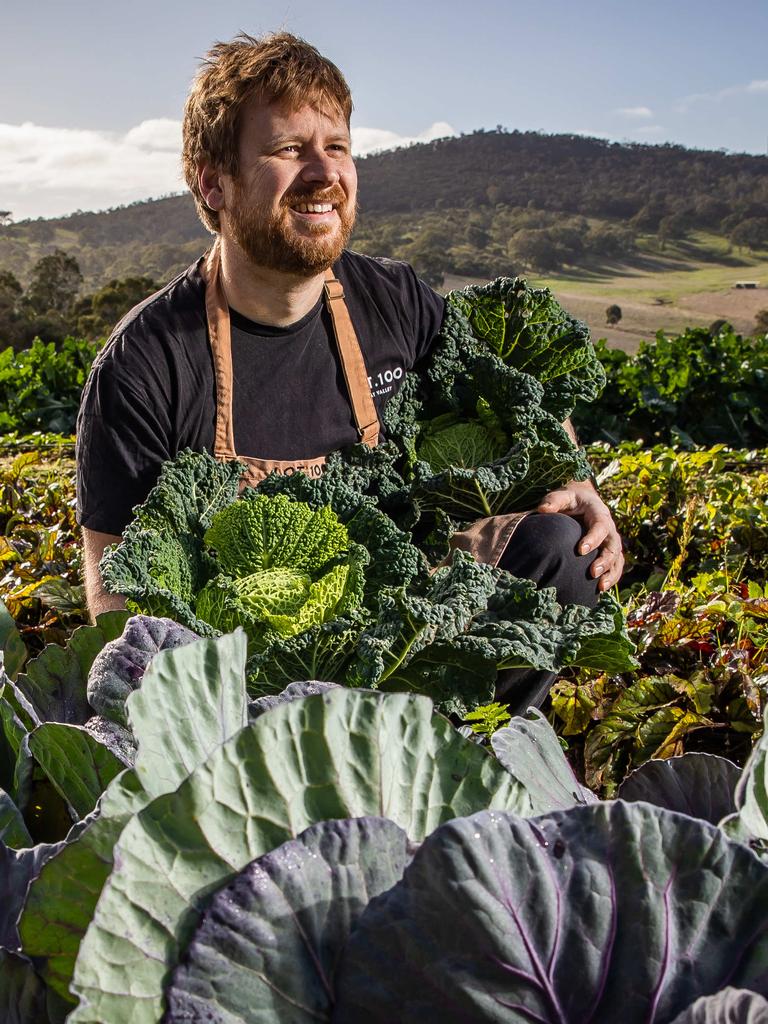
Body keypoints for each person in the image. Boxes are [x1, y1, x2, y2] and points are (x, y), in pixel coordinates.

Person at [76, 32, 623, 708]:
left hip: (400, 648)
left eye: (335, 147)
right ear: (213, 181)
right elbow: (115, 590)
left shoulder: (394, 301)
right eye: (287, 149)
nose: (323, 173)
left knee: (563, 551)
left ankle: (463, 766)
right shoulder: (146, 361)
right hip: (243, 687)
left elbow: (518, 393)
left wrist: (571, 472)